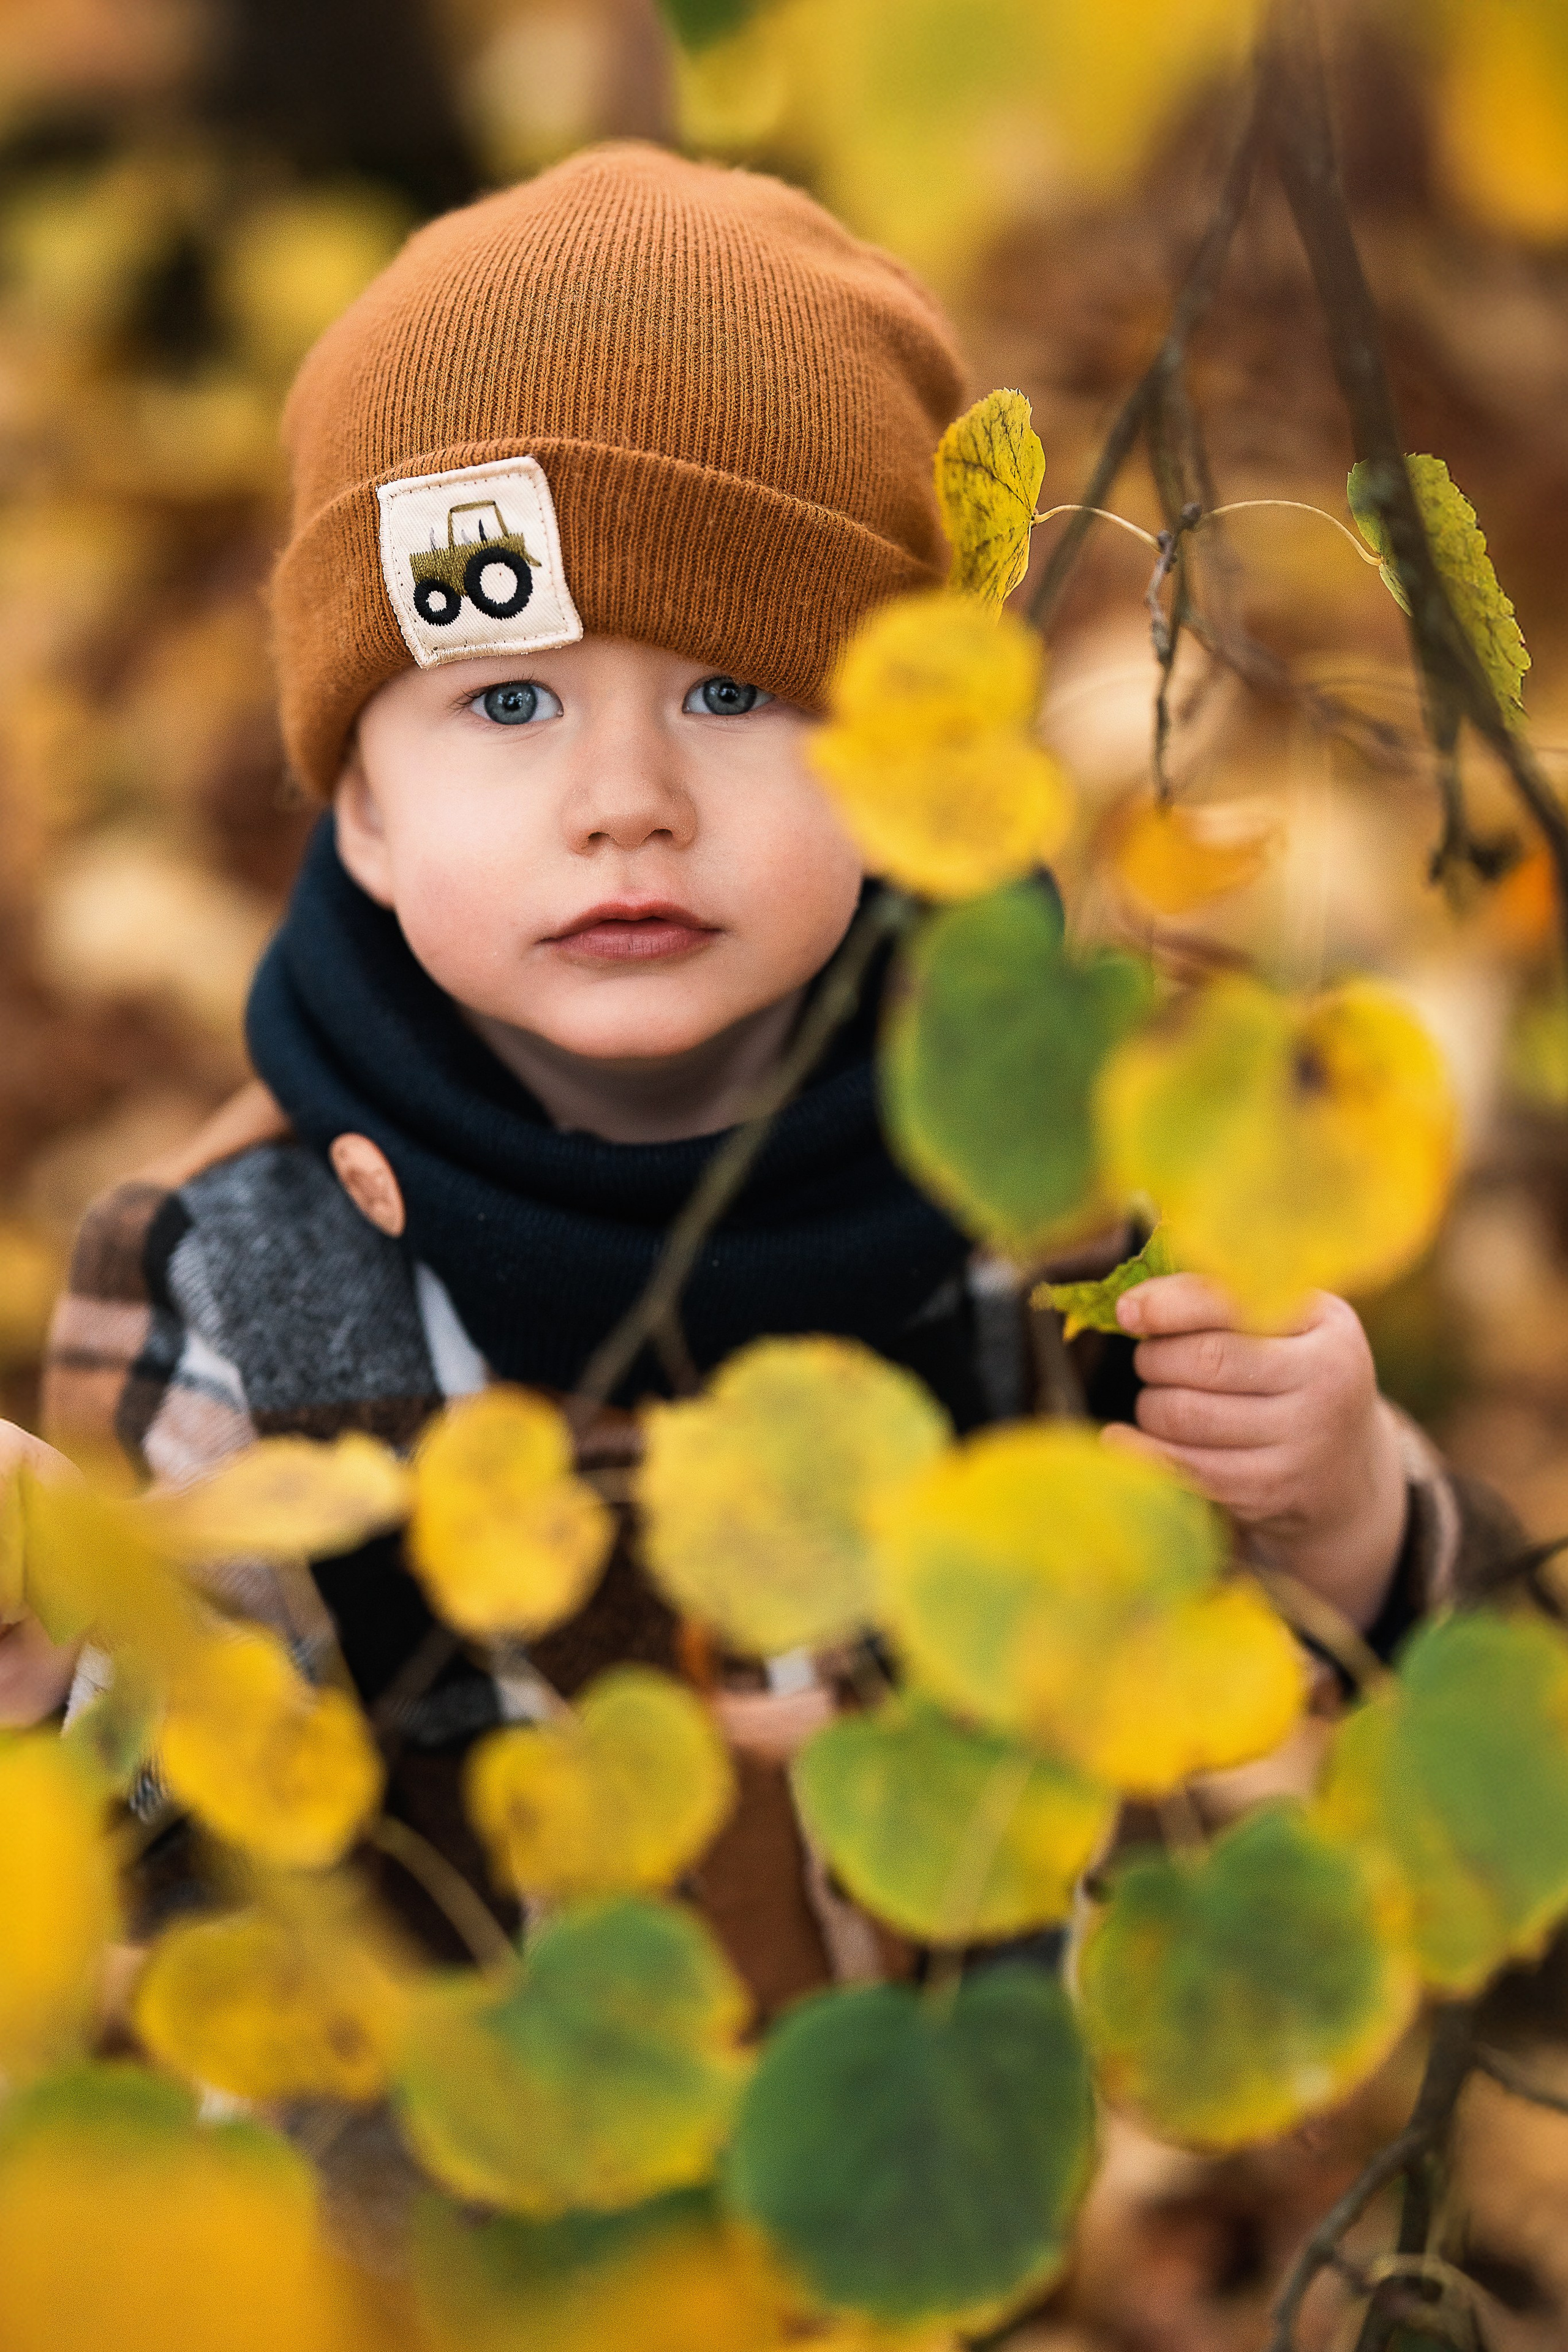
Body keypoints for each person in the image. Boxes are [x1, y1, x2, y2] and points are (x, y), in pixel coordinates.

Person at [0, 145, 1501, 2003]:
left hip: (914, 2181)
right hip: (451, 2251)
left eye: (729, 693)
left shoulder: (1055, 1186)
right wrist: (70, 1663)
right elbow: (177, 1854)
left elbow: (1379, 1709)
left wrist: (1342, 1504)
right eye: (512, 701)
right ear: (364, 807)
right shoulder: (233, 1270)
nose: (626, 799)